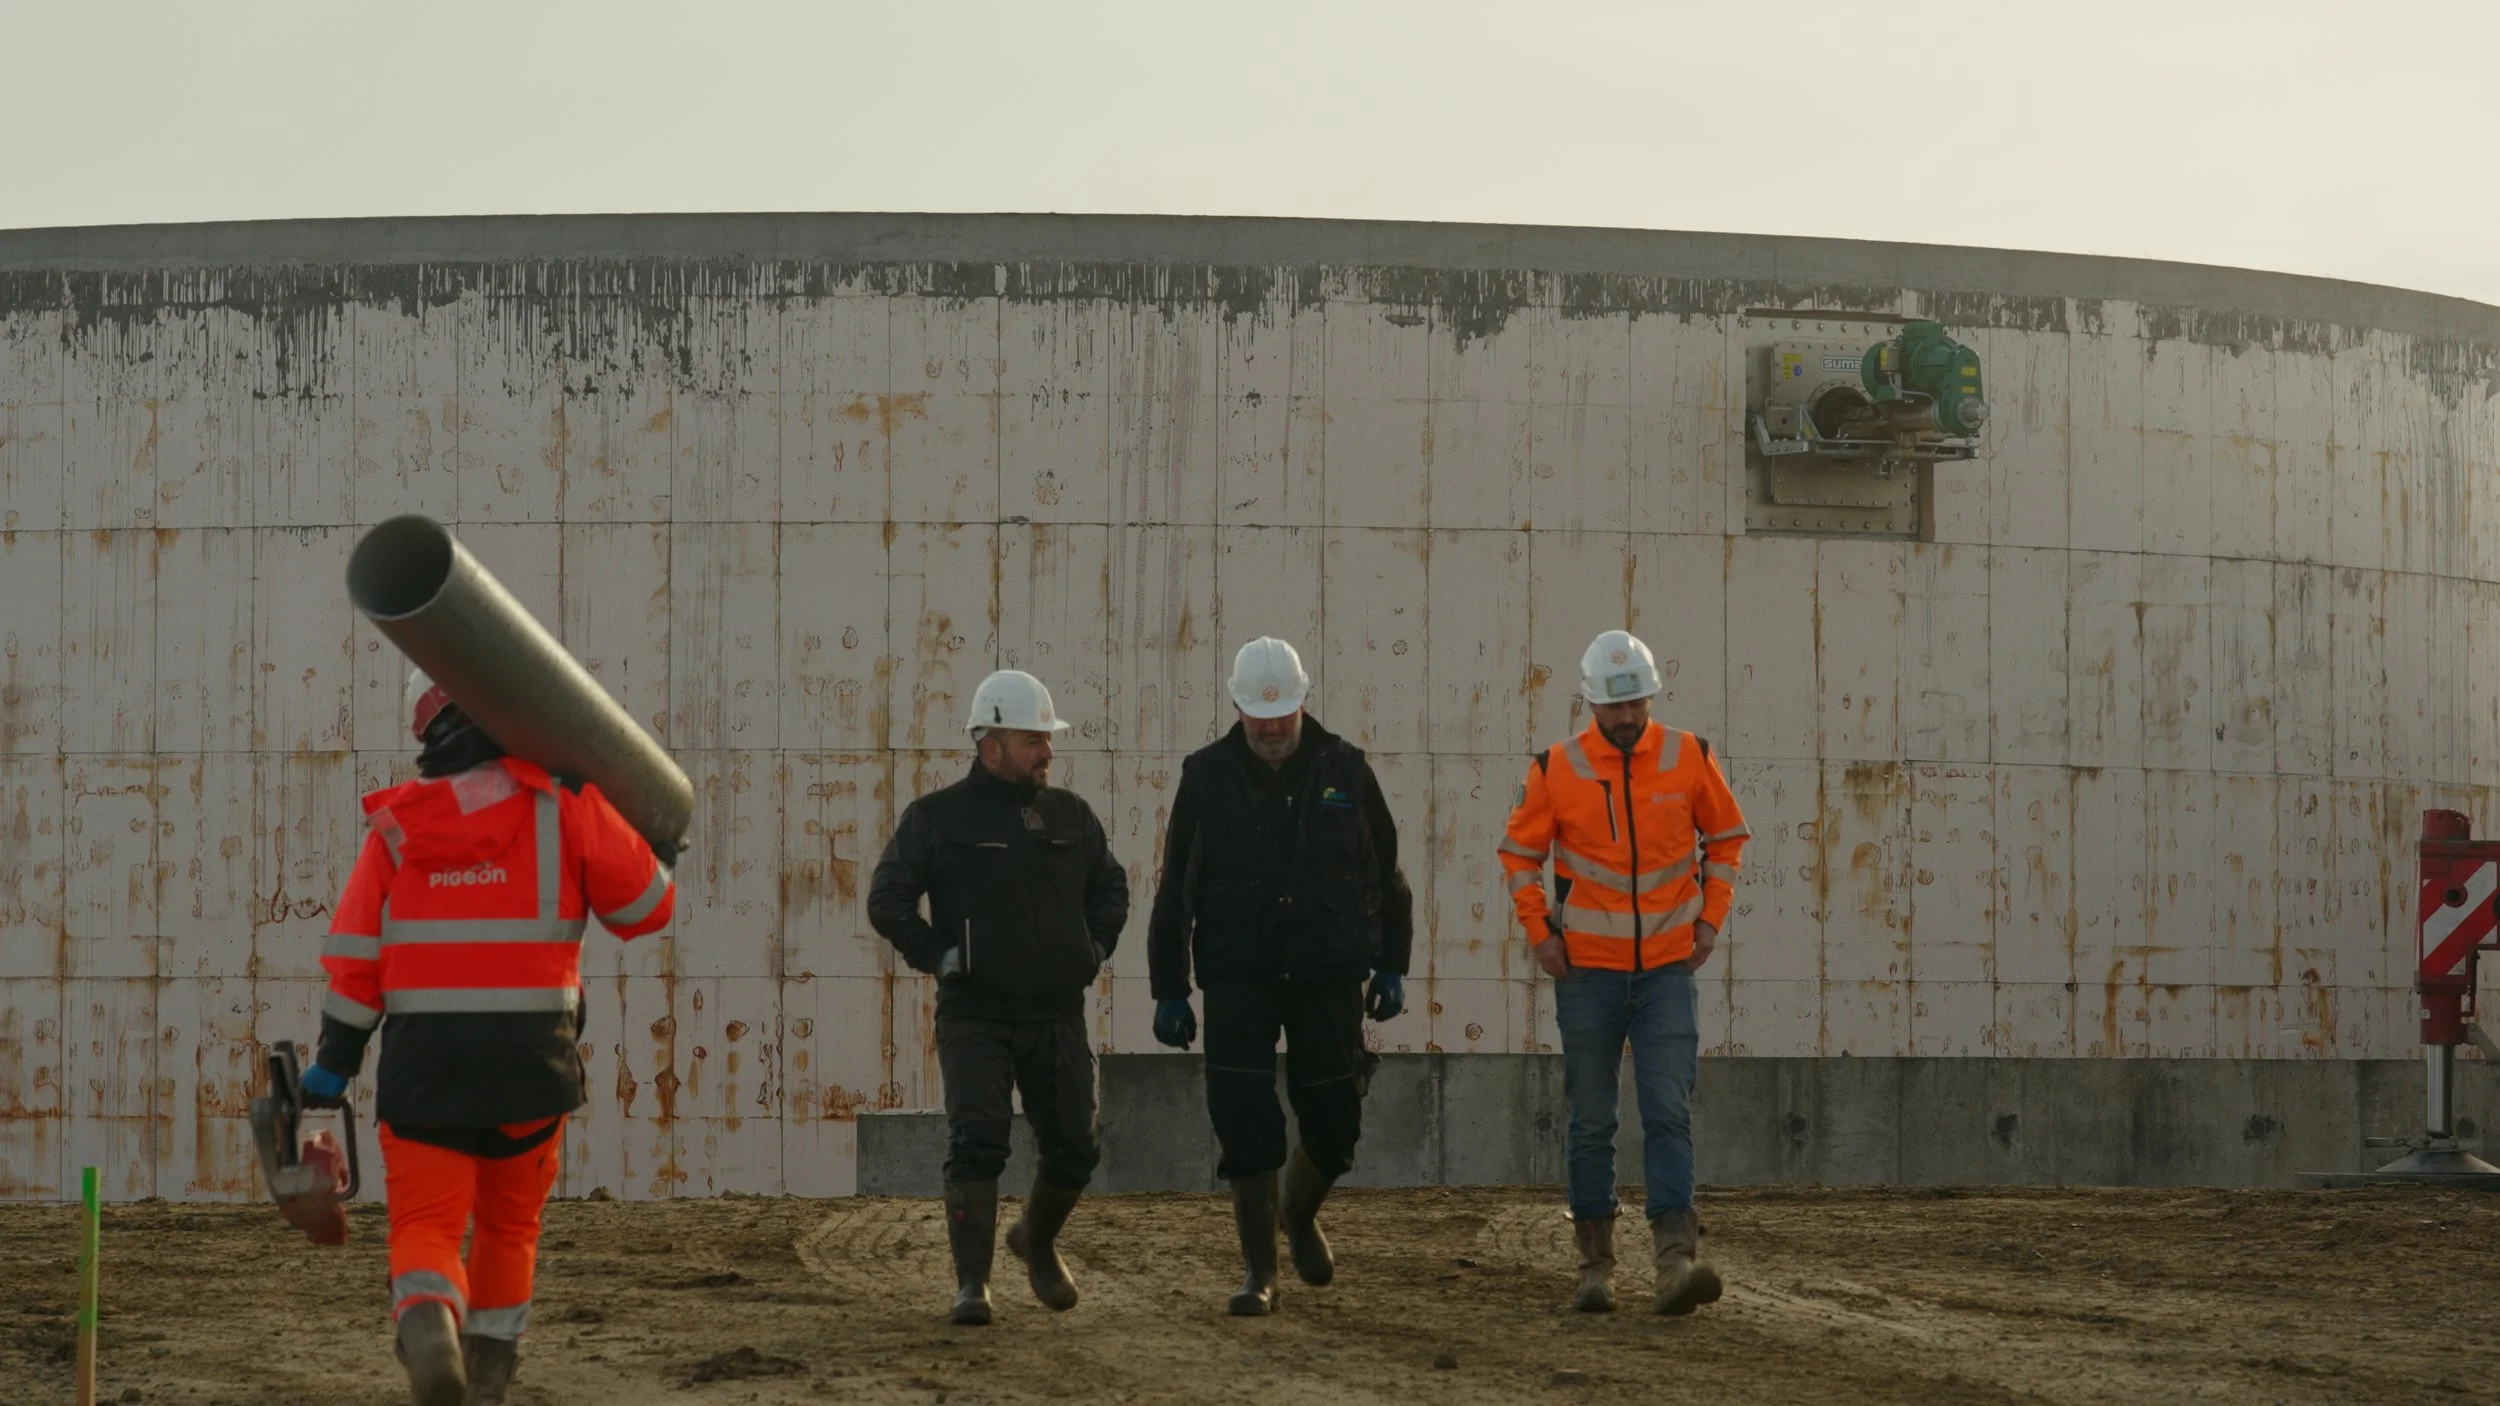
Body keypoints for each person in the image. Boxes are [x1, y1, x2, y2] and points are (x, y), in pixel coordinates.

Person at [309, 668, 677, 1406]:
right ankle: (485, 1379)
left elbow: (355, 960)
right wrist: (658, 841)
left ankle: (429, 1332)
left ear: (428, 731)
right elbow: (645, 910)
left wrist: (333, 1064)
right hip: (531, 1066)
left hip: (426, 1073)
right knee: (510, 1228)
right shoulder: (564, 804)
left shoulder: (396, 825)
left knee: (426, 1224)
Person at [1147, 637, 1414, 1316]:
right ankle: (1258, 1272)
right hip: (1240, 975)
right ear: (1237, 707)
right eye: (1258, 716)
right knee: (1244, 1120)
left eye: (1283, 716)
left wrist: (1391, 962)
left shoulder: (1345, 768)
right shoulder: (1205, 777)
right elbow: (1176, 886)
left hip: (1327, 972)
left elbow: (1385, 874)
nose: (1270, 729)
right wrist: (1169, 987)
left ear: (1302, 704)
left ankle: (1296, 1214)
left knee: (1334, 1119)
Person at [867, 669, 1129, 1325]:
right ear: (991, 745)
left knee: (1075, 1145)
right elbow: (888, 898)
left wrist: (1092, 949)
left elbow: (1111, 888)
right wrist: (938, 957)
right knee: (978, 1140)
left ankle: (1035, 1241)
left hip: (1056, 1014)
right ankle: (971, 1286)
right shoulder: (937, 819)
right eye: (1033, 739)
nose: (1047, 751)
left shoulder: (1070, 815)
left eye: (1047, 738)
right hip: (976, 1016)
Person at [1498, 629, 1749, 1316]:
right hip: (1588, 976)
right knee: (1591, 1121)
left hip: (1668, 969)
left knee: (1669, 1114)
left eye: (1636, 702)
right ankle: (1595, 1268)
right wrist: (1540, 933)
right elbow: (1519, 854)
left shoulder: (1689, 756)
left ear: (1650, 696)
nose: (1629, 717)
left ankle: (1675, 1263)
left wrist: (1709, 920)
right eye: (1615, 708)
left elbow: (1726, 837)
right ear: (1589, 706)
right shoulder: (1556, 768)